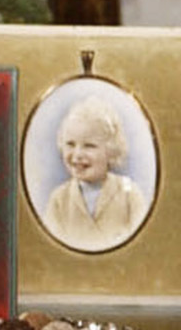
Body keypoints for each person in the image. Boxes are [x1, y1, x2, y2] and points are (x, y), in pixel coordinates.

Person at [41, 95, 148, 251]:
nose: (77, 154)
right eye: (70, 144)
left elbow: (142, 246)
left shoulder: (129, 194)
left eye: (89, 146)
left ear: (111, 151)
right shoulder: (58, 200)